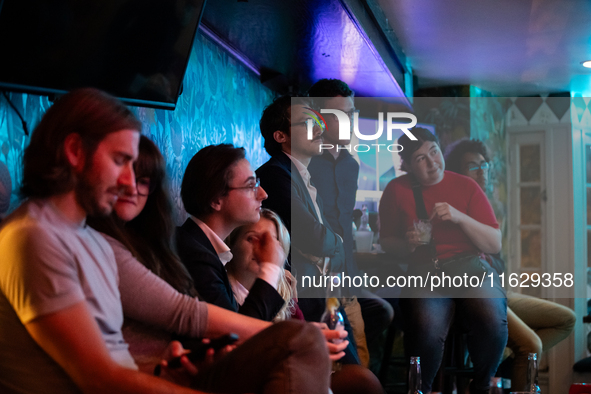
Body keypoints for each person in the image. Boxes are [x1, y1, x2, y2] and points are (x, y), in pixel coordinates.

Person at [0, 88, 335, 394]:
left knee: (304, 340)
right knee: (300, 341)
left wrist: (165, 371)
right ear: (74, 151)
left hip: (146, 377)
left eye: (138, 170)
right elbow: (101, 378)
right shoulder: (33, 236)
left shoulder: (92, 240)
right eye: (120, 161)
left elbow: (183, 313)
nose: (131, 183)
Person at [379, 127, 508, 394]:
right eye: (420, 159)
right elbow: (388, 243)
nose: (431, 162)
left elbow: (494, 243)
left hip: (467, 265)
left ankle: (482, 386)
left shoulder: (466, 186)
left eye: (434, 152)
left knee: (492, 320)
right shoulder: (396, 190)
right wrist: (408, 244)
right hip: (425, 270)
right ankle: (420, 390)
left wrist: (460, 217)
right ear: (407, 167)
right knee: (425, 328)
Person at [444, 138, 576, 390]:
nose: (482, 171)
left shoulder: (489, 206)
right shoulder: (449, 210)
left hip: (498, 289)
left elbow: (497, 260)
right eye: (473, 166)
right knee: (532, 345)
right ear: (457, 174)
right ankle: (495, 367)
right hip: (471, 295)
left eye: (484, 165)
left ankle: (493, 365)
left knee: (565, 319)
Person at [308, 78, 394, 370]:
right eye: (340, 115)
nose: (350, 121)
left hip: (348, 274)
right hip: (316, 277)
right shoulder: (304, 163)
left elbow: (341, 221)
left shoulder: (351, 164)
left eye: (352, 113)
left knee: (382, 312)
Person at [176, 144, 286, 321]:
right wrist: (270, 269)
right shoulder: (195, 257)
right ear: (215, 199)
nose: (263, 194)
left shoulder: (204, 249)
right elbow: (237, 339)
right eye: (251, 186)